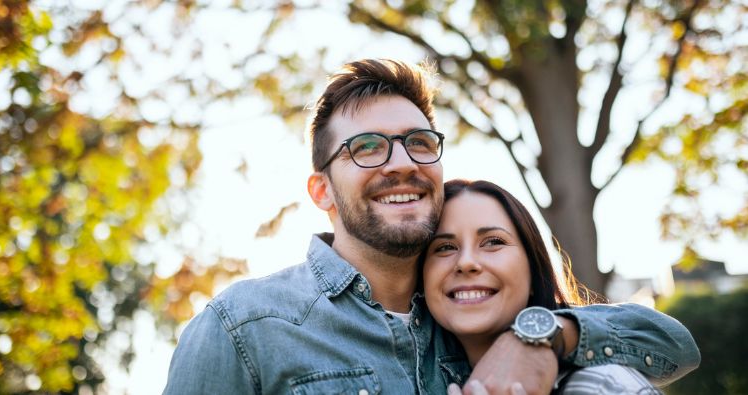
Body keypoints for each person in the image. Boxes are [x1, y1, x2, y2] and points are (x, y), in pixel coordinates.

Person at [163, 59, 700, 394]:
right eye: (366, 148)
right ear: (321, 191)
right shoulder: (244, 328)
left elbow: (672, 345)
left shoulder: (468, 316)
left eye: (417, 142)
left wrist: (543, 336)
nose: (401, 162)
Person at [424, 179, 668, 394]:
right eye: (444, 247)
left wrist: (539, 336)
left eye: (493, 242)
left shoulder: (602, 384)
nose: (466, 262)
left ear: (533, 269)